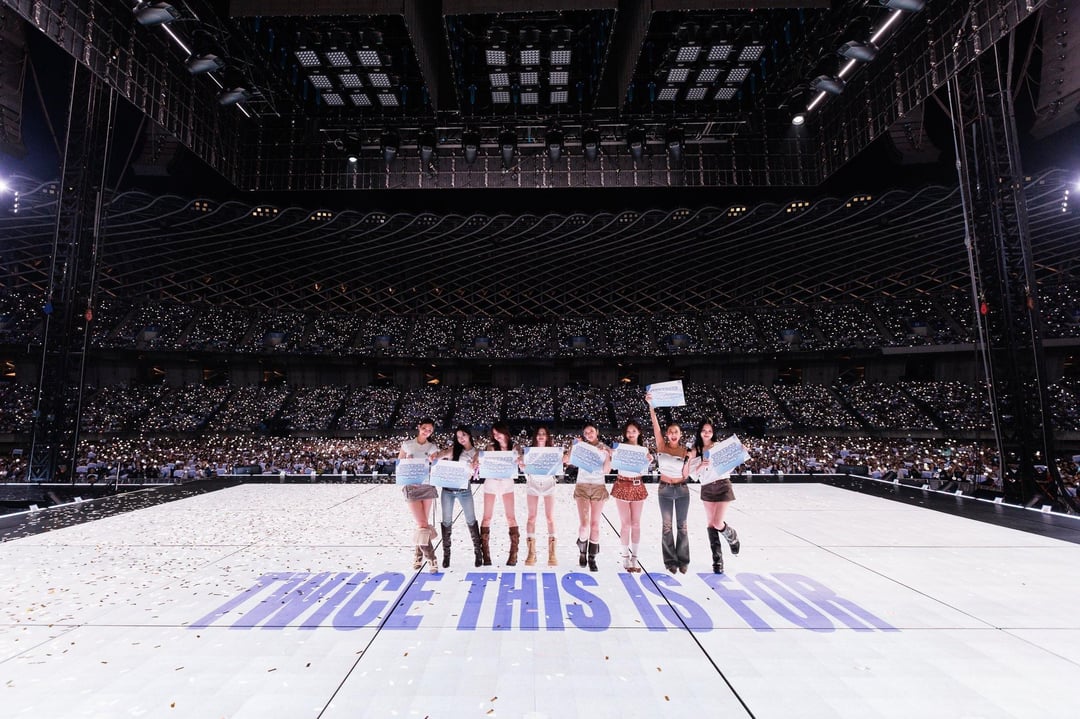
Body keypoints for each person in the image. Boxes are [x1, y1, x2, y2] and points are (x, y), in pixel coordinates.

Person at [684, 419, 740, 574]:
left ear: (713, 432)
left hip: (723, 485)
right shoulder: (695, 450)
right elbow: (692, 474)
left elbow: (730, 465)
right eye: (704, 430)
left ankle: (732, 536)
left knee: (717, 522)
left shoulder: (719, 446)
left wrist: (739, 452)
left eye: (709, 430)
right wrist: (700, 465)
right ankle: (717, 560)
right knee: (711, 524)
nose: (707, 433)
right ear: (699, 432)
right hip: (707, 487)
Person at [647, 393, 691, 573]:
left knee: (682, 526)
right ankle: (670, 561)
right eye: (670, 431)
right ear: (667, 434)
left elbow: (686, 474)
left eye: (676, 432)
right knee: (666, 526)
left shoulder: (686, 451)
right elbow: (655, 426)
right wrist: (651, 406)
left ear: (680, 434)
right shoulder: (661, 446)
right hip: (665, 490)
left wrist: (688, 460)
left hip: (682, 490)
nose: (673, 434)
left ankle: (683, 560)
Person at [435, 425, 484, 568]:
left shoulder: (477, 452)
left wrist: (477, 462)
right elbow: (438, 456)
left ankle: (478, 552)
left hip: (464, 490)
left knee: (471, 520)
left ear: (469, 435)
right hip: (447, 490)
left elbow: (480, 461)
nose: (461, 438)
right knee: (446, 522)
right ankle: (446, 555)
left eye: (463, 435)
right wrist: (435, 456)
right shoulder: (453, 450)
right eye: (458, 437)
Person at [567, 422, 612, 572]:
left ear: (597, 431)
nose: (588, 434)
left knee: (595, 526)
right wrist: (573, 446)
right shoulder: (581, 447)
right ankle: (582, 549)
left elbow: (606, 470)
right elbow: (567, 460)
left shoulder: (605, 448)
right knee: (584, 526)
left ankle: (592, 557)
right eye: (586, 432)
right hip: (583, 485)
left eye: (591, 431)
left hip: (598, 486)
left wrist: (607, 455)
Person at [398, 418, 440, 573]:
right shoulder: (407, 444)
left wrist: (433, 461)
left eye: (430, 430)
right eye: (424, 428)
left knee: (422, 524)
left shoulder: (432, 447)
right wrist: (407, 462)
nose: (427, 432)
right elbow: (399, 464)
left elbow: (436, 466)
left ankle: (417, 554)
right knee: (422, 524)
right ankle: (431, 558)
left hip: (427, 485)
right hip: (411, 486)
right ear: (419, 427)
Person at [610, 420, 651, 572]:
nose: (631, 434)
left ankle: (635, 557)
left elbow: (643, 471)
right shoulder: (620, 448)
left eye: (634, 431)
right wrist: (613, 455)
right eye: (628, 431)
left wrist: (649, 461)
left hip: (637, 484)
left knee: (636, 524)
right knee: (625, 524)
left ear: (639, 432)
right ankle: (625, 556)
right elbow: (613, 466)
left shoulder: (643, 450)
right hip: (622, 484)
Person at [479, 421, 520, 566]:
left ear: (505, 432)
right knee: (487, 517)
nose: (496, 436)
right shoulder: (490, 447)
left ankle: (513, 553)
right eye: (494, 434)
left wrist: (520, 460)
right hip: (491, 482)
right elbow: (485, 462)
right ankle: (485, 554)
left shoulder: (515, 447)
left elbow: (519, 459)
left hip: (507, 482)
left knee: (511, 517)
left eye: (498, 432)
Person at [521, 426, 560, 566]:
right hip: (533, 483)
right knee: (531, 517)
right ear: (535, 437)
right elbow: (524, 468)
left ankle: (552, 553)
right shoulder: (529, 452)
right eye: (538, 433)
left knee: (550, 517)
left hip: (549, 484)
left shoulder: (554, 452)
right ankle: (531, 552)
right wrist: (522, 466)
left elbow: (559, 467)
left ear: (547, 436)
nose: (541, 435)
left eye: (543, 433)